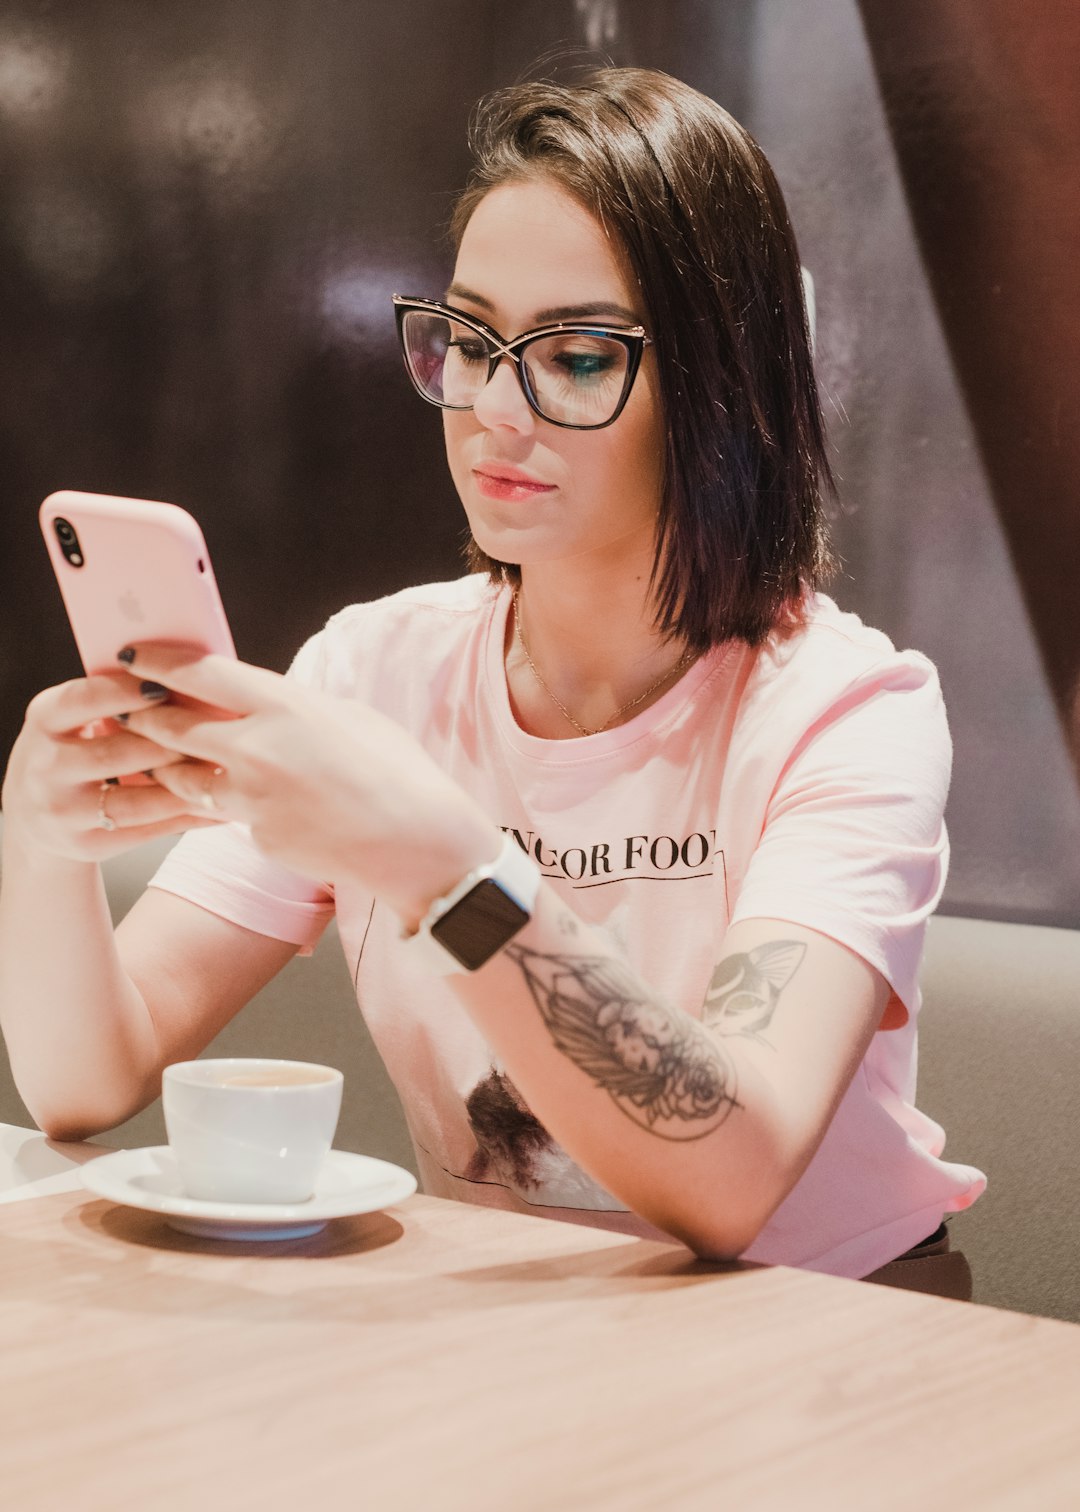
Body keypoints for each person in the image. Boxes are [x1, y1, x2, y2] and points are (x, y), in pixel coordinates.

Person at [0, 66, 984, 1279]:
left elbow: (732, 1179)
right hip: (526, 1340)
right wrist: (39, 842)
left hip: (841, 1334)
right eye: (469, 341)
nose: (494, 409)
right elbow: (89, 1081)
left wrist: (435, 857)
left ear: (718, 388)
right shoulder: (376, 668)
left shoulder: (848, 710)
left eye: (575, 357)